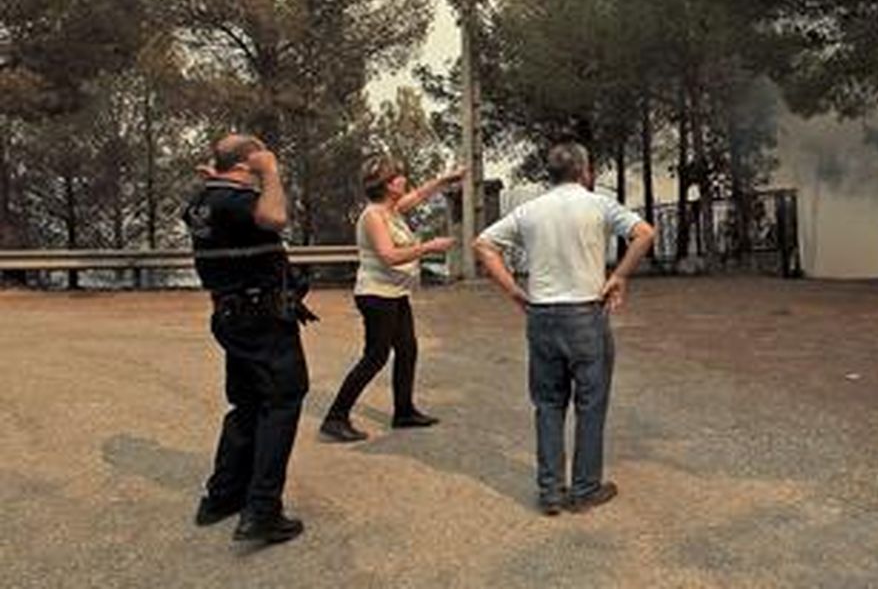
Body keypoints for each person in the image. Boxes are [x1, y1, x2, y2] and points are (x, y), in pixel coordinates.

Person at [474, 142, 655, 515]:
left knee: (548, 404)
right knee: (591, 404)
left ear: (550, 174)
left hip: (541, 316)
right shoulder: (599, 204)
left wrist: (513, 290)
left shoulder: (530, 210)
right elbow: (645, 234)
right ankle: (586, 487)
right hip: (586, 315)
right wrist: (619, 275)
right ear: (585, 172)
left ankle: (551, 491)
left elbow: (484, 244)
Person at [183, 133, 312, 544]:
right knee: (282, 400)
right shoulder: (237, 202)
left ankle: (222, 496)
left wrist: (223, 176)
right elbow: (275, 219)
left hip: (231, 316)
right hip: (262, 320)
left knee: (247, 403)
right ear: (247, 164)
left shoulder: (202, 202)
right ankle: (262, 510)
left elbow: (220, 207)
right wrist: (269, 172)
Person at [320, 157, 460, 442]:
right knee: (375, 356)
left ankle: (404, 411)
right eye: (397, 177)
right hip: (376, 296)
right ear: (386, 186)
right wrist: (428, 247)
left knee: (407, 350)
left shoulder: (391, 210)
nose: (403, 179)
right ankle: (335, 417)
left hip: (394, 294)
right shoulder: (374, 216)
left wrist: (445, 180)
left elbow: (420, 195)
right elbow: (388, 256)